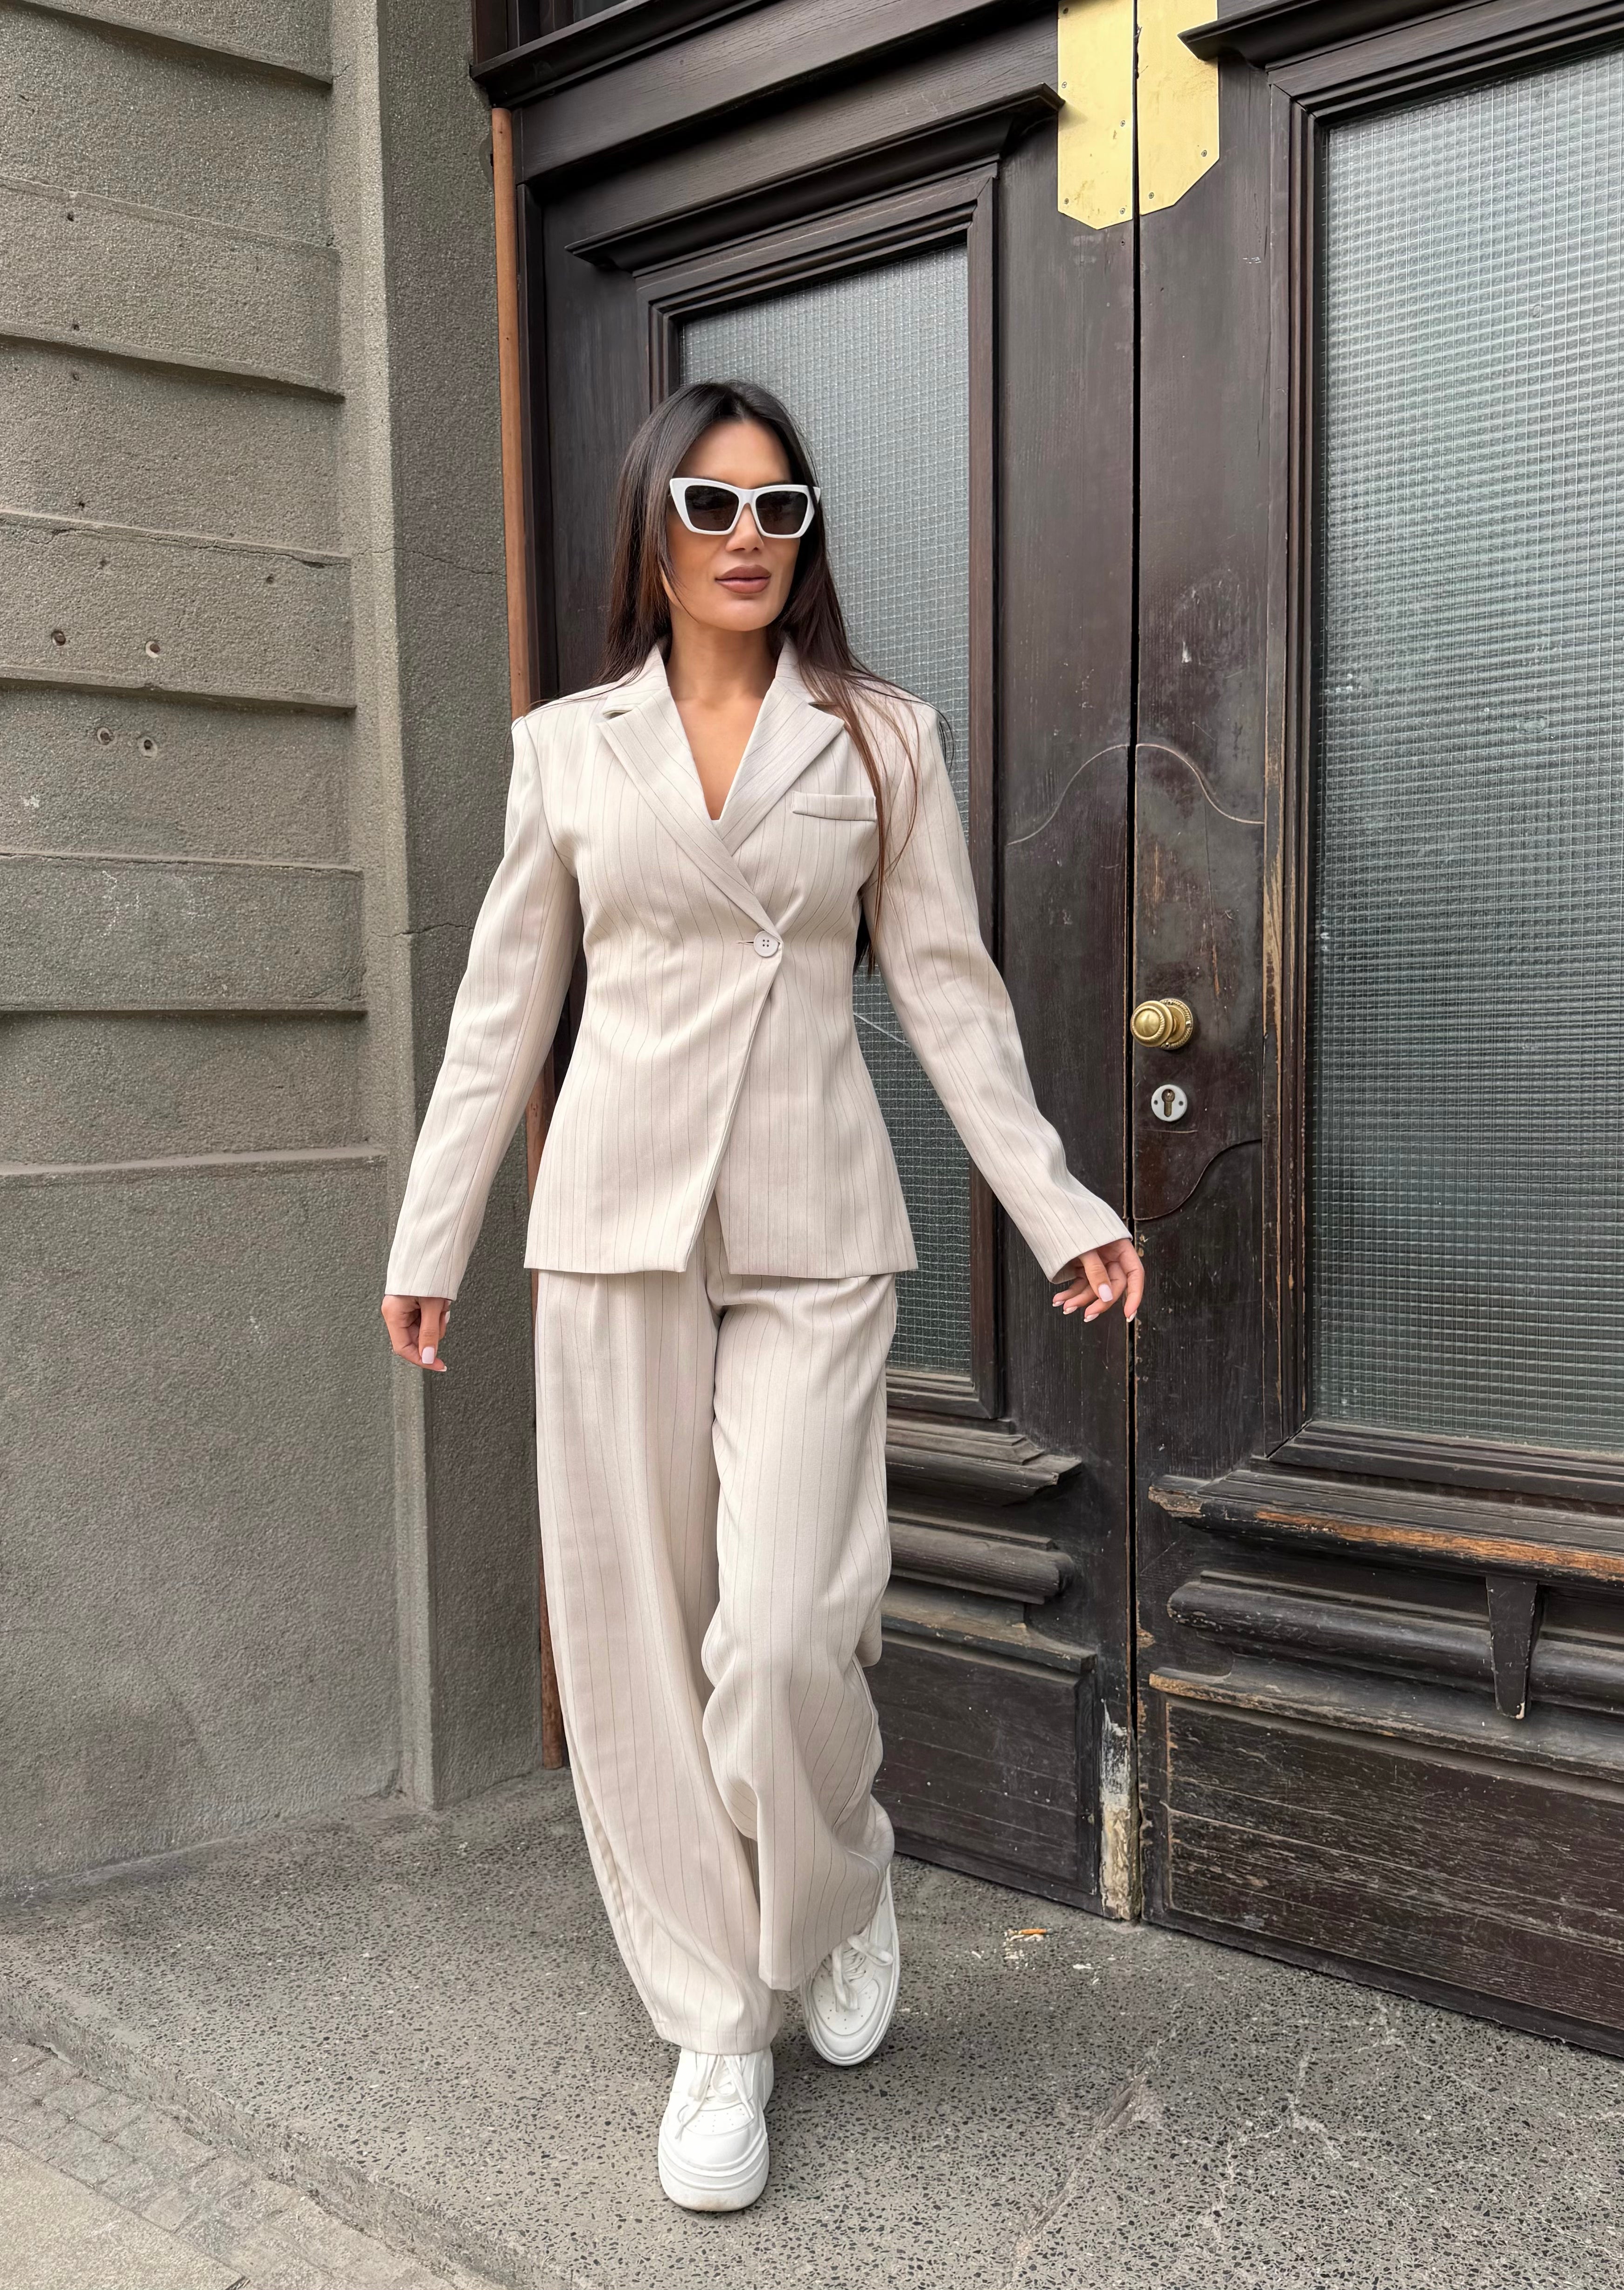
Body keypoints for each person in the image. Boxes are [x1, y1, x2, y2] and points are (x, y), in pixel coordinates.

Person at [380, 378, 1143, 2214]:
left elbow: (947, 989)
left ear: (807, 539)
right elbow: (504, 1011)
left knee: (789, 1628)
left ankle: (832, 1885)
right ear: (652, 529)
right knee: (635, 1645)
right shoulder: (568, 750)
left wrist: (1054, 1204)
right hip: (611, 1227)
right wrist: (432, 1232)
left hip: (813, 1225)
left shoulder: (881, 740)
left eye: (776, 510)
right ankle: (716, 2018)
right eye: (709, 507)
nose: (744, 539)